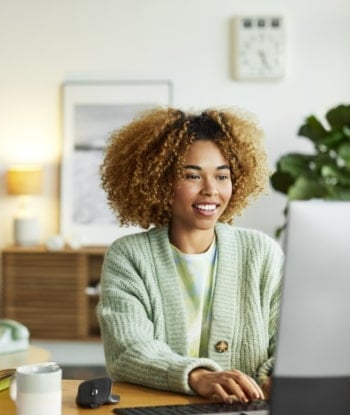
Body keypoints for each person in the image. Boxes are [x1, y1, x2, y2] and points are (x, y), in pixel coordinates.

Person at [97, 107, 283, 404]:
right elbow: (128, 349)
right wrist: (198, 376)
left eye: (222, 176)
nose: (211, 190)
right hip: (159, 409)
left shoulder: (261, 253)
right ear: (159, 181)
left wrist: (279, 378)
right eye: (192, 176)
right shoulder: (129, 257)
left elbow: (287, 344)